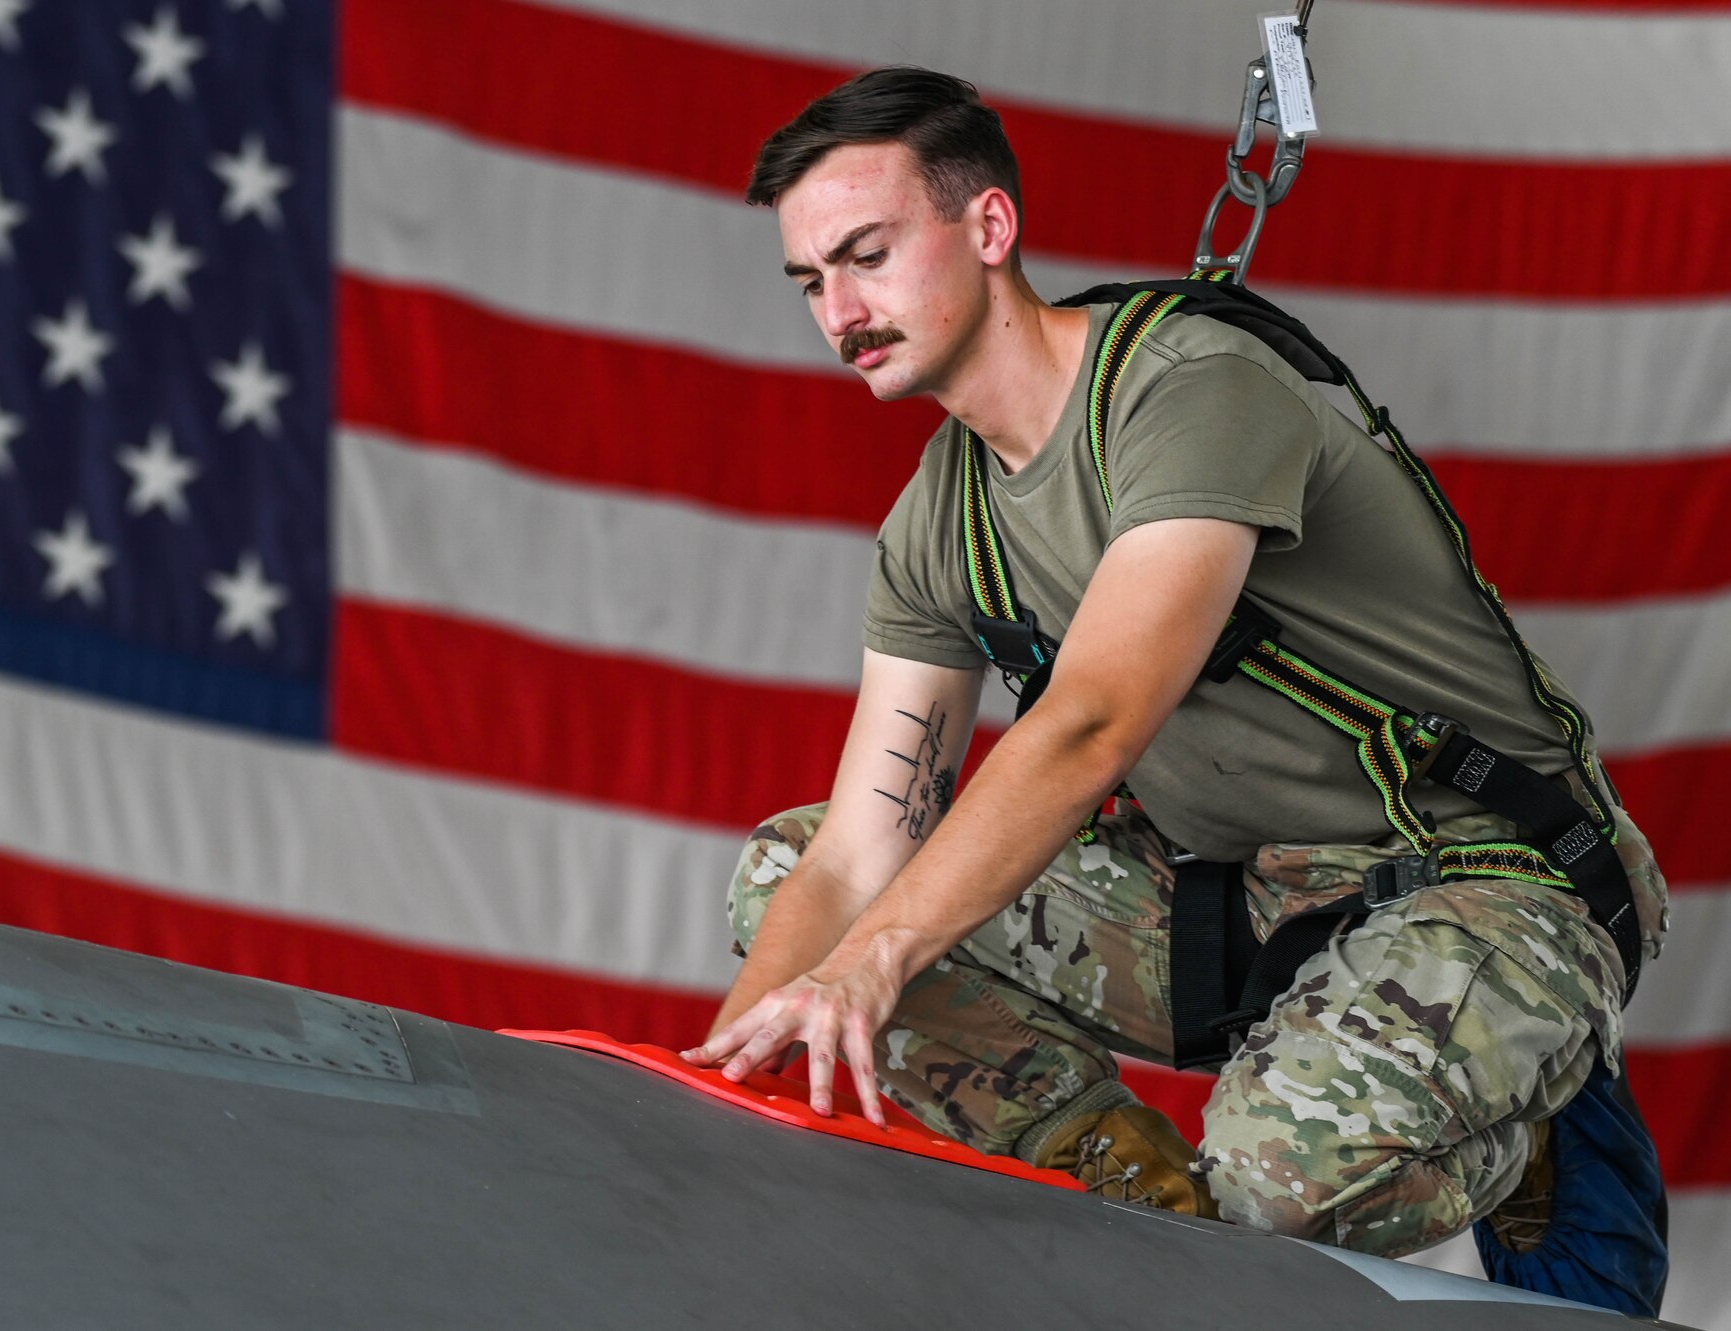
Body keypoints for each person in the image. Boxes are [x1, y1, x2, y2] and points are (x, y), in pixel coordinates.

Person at [679, 66, 1669, 1262]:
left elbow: (1094, 718)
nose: (839, 308)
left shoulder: (1190, 389)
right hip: (1251, 908)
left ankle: (1520, 1106)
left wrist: (875, 958)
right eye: (810, 279)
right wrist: (700, 1101)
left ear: (987, 226)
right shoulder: (936, 526)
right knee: (781, 870)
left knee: (1274, 1186)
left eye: (867, 254)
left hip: (1492, 880)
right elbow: (850, 853)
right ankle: (1138, 1193)